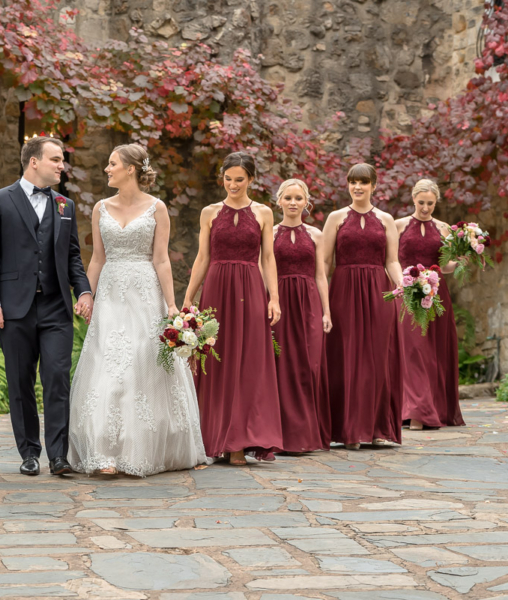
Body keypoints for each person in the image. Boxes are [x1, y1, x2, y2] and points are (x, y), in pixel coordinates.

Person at [68, 144, 206, 476]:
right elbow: (97, 258)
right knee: (109, 363)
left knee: (142, 365)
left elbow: (161, 259)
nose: (107, 169)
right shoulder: (100, 208)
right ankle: (105, 453)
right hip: (112, 293)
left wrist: (172, 304)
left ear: (131, 168)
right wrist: (87, 294)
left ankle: (145, 448)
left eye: (112, 163)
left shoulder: (157, 208)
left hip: (145, 293)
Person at [0, 136, 93, 476]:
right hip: (14, 308)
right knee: (19, 381)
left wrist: (84, 291)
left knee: (57, 378)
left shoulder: (64, 205)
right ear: (34, 162)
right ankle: (29, 452)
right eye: (56, 159)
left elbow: (73, 256)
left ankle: (58, 455)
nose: (62, 165)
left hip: (56, 307)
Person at [183, 152, 283, 466]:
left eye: (239, 179)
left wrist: (274, 298)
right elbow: (202, 258)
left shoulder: (264, 213)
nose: (233, 184)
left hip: (251, 289)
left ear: (251, 180)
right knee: (217, 360)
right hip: (216, 289)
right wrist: (188, 299)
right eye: (228, 178)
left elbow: (268, 258)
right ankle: (213, 438)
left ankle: (239, 440)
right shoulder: (209, 212)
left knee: (249, 361)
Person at [321, 163, 403, 450]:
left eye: (364, 182)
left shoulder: (386, 219)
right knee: (347, 356)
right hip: (343, 290)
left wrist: (402, 284)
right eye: (353, 182)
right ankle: (349, 430)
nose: (358, 187)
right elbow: (324, 263)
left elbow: (391, 260)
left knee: (378, 358)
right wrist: (323, 302)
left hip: (379, 292)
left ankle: (377, 427)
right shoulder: (335, 218)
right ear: (347, 184)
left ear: (374, 185)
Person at [394, 179, 464, 430]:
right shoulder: (398, 225)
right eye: (421, 202)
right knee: (413, 351)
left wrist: (459, 258)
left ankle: (430, 409)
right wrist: (401, 284)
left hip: (435, 293)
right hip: (408, 293)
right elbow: (389, 260)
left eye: (430, 204)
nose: (425, 208)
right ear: (413, 199)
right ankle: (414, 412)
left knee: (433, 351)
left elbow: (445, 266)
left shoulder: (444, 228)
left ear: (436, 203)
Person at [272, 179, 332, 453]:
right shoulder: (270, 233)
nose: (293, 203)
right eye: (288, 198)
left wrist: (326, 311)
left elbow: (321, 275)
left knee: (310, 364)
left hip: (309, 302)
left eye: (298, 198)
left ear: (306, 202)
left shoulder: (316, 235)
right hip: (281, 301)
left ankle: (309, 434)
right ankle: (284, 436)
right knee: (283, 365)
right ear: (279, 201)